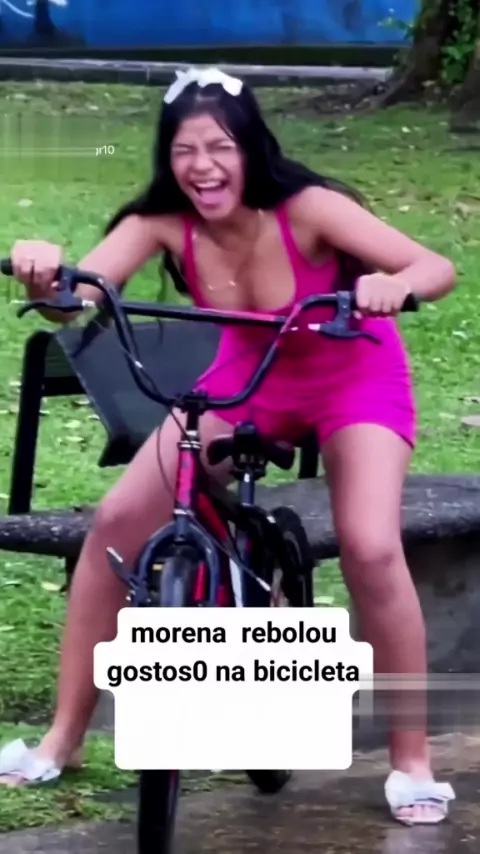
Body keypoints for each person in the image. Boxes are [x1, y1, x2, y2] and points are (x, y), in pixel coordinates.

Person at [0, 67, 456, 825]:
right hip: (251, 378)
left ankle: (411, 763)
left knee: (372, 546)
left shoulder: (309, 208)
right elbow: (78, 297)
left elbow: (436, 267)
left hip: (354, 378)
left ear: (249, 149)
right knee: (115, 522)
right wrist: (47, 277)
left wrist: (395, 286)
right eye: (185, 150)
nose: (202, 166)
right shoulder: (160, 221)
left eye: (219, 147)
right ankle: (62, 739)